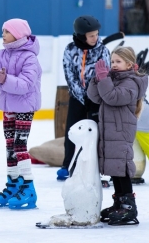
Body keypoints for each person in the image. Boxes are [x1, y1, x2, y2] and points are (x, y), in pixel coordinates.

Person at [87, 46, 148, 226]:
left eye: (118, 61)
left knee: (121, 168)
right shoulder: (113, 79)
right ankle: (119, 203)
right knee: (114, 169)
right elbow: (96, 97)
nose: (114, 64)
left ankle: (129, 207)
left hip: (121, 131)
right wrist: (96, 79)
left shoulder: (131, 82)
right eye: (112, 61)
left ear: (129, 64)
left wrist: (105, 79)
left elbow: (113, 97)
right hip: (110, 131)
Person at [0, 18, 42, 210]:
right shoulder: (0, 54)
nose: (3, 34)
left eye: (7, 31)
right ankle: (13, 184)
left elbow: (26, 85)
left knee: (20, 145)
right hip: (8, 107)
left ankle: (28, 187)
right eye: (3, 30)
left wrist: (5, 80)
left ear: (18, 34)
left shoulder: (30, 58)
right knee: (10, 146)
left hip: (25, 107)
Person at [57, 15, 110, 181]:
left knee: (97, 131)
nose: (95, 38)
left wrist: (95, 95)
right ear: (81, 36)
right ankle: (68, 164)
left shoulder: (102, 50)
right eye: (91, 35)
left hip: (98, 98)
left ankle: (98, 165)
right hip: (77, 97)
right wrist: (82, 96)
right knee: (72, 130)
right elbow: (70, 75)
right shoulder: (70, 50)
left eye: (96, 34)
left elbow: (106, 74)